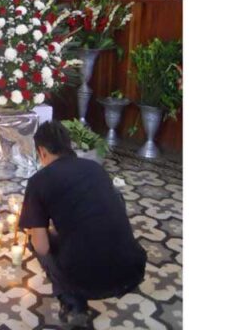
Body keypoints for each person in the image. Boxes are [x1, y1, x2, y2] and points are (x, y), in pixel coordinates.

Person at [20, 121, 147, 328]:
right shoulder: (95, 168)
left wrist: (39, 229)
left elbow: (42, 246)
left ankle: (74, 305)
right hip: (131, 269)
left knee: (35, 243)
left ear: (41, 151)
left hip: (88, 281)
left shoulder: (39, 181)